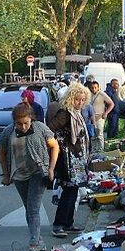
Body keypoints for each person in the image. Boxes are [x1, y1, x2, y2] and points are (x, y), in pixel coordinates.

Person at [0, 102, 59, 251]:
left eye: (26, 123)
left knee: (33, 209)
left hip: (38, 173)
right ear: (14, 122)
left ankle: (34, 244)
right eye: (19, 124)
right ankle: (38, 239)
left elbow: (55, 146)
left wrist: (51, 168)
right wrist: (6, 174)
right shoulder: (8, 132)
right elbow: (2, 152)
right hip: (19, 175)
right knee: (29, 208)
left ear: (31, 118)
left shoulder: (39, 128)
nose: (23, 127)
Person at [47, 82, 90, 238]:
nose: (79, 103)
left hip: (77, 158)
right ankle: (58, 224)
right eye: (77, 100)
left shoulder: (76, 113)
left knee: (73, 190)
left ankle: (68, 223)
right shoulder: (65, 113)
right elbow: (50, 129)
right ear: (70, 99)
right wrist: (60, 141)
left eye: (82, 100)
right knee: (68, 191)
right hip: (67, 159)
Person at [88, 80, 114, 153]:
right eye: (92, 88)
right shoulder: (89, 95)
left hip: (100, 117)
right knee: (93, 135)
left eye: (95, 88)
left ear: (98, 88)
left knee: (99, 134)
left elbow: (111, 104)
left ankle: (101, 150)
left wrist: (106, 113)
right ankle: (94, 150)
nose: (94, 89)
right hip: (91, 118)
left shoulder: (102, 95)